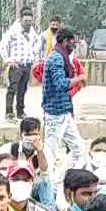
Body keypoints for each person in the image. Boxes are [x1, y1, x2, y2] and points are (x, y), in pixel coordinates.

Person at [38, 29, 84, 170]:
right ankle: (47, 184)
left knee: (78, 149)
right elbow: (61, 84)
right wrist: (79, 79)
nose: (73, 45)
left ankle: (64, 177)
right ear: (64, 41)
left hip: (63, 111)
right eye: (72, 42)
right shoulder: (57, 58)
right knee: (50, 153)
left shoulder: (60, 56)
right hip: (55, 112)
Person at [0, 8, 38, 121]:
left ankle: (20, 111)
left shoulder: (33, 32)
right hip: (16, 65)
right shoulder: (13, 31)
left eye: (30, 21)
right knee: (12, 89)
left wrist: (34, 59)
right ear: (21, 19)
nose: (28, 23)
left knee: (23, 90)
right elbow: (2, 45)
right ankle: (9, 112)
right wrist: (8, 60)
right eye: (26, 21)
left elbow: (36, 46)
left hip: (27, 65)